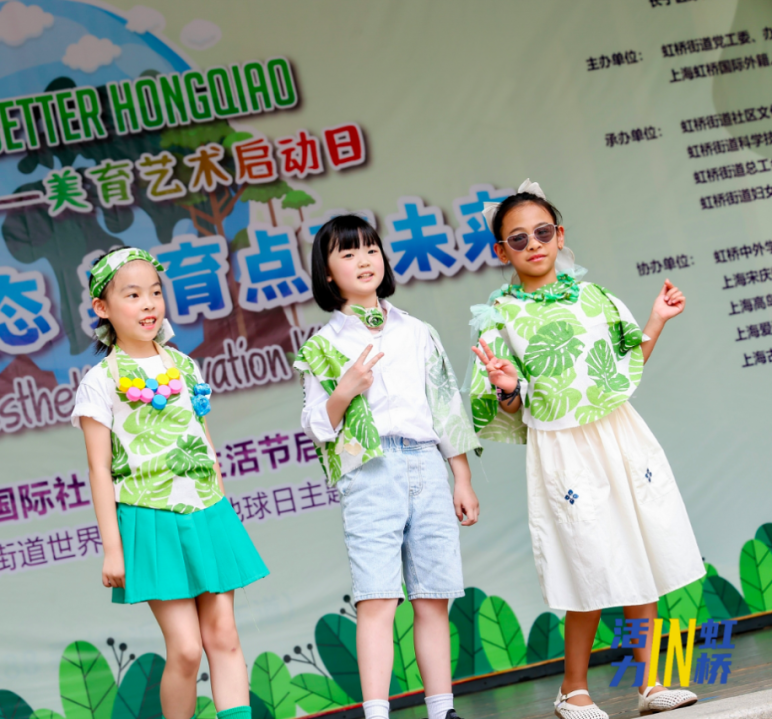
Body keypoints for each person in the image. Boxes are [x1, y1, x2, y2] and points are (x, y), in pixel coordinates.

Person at [468, 180, 705, 718]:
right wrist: (507, 386)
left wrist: (656, 319)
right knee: (588, 563)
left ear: (560, 235)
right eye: (518, 238)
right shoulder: (499, 315)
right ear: (501, 250)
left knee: (638, 550)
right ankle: (572, 690)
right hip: (563, 448)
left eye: (542, 232)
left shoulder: (595, 297)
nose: (533, 244)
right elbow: (509, 406)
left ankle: (649, 684)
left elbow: (625, 365)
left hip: (618, 433)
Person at [294, 215, 480, 719]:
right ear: (327, 273)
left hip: (427, 464)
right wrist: (345, 390)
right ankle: (376, 714)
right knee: (377, 598)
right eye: (348, 253)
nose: (364, 260)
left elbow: (445, 406)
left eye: (371, 249)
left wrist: (461, 478)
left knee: (433, 596)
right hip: (370, 472)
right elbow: (317, 425)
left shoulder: (417, 331)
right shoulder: (323, 344)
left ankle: (442, 710)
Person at [72, 247, 268, 719]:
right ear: (102, 307)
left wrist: (220, 500)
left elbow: (203, 438)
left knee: (224, 635)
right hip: (149, 519)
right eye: (132, 295)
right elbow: (99, 470)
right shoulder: (100, 381)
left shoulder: (184, 365)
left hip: (207, 511)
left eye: (155, 293)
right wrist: (112, 548)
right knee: (185, 649)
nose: (148, 304)